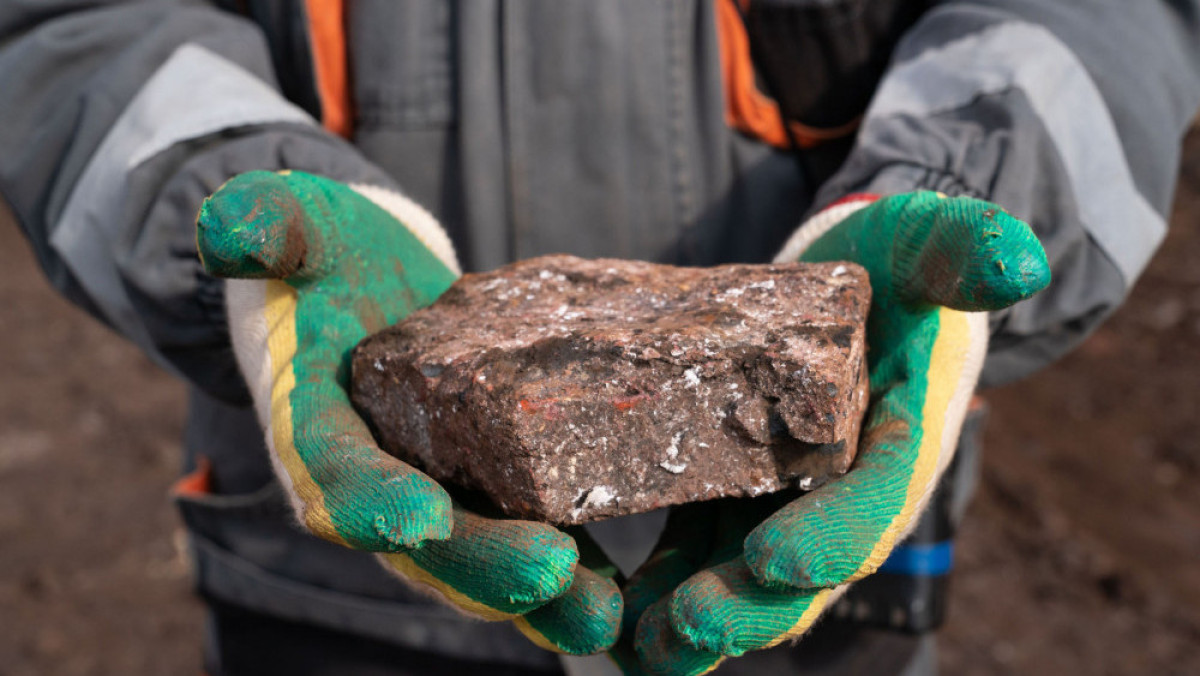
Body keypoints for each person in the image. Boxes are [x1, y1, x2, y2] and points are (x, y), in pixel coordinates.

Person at [1, 1, 1197, 674]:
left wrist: (973, 180)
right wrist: (227, 196)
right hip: (331, 596)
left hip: (812, 596)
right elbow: (69, 28)